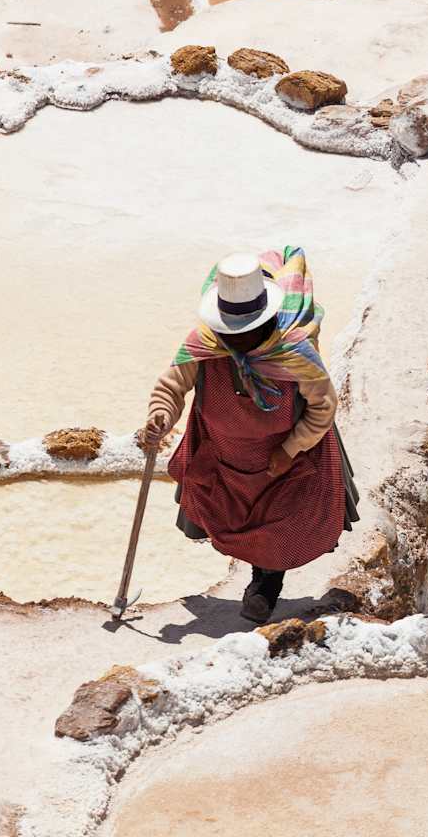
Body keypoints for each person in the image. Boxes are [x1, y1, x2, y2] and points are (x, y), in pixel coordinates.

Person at [144, 248, 359, 624]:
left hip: (283, 460)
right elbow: (172, 386)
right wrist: (160, 417)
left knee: (279, 528)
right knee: (229, 520)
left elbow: (323, 407)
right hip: (224, 455)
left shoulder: (294, 351)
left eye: (246, 333)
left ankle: (265, 584)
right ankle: (255, 571)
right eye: (231, 334)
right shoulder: (206, 344)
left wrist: (291, 449)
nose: (237, 342)